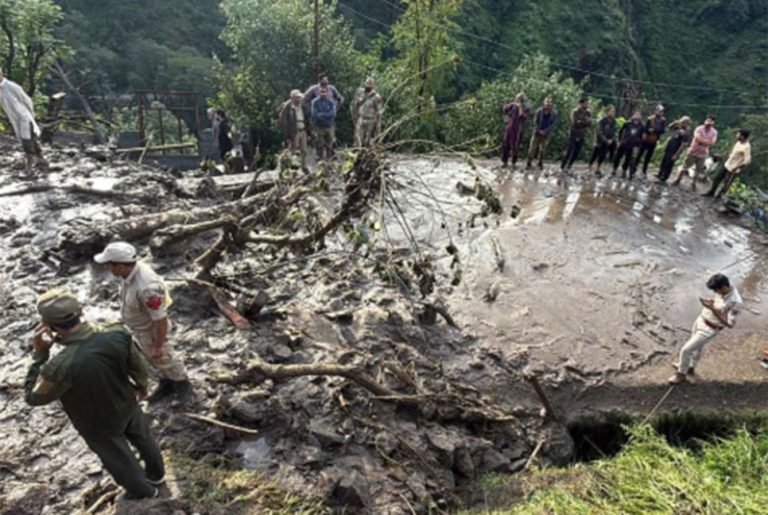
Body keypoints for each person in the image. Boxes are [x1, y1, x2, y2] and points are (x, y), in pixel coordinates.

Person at [24, 289, 165, 499]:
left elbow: (33, 398)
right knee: (145, 439)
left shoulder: (59, 366)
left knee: (119, 459)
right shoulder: (115, 331)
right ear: (81, 311)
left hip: (96, 422)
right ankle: (158, 476)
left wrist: (40, 353)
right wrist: (141, 386)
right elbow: (137, 365)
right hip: (127, 400)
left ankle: (144, 493)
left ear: (48, 326)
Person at [94, 242, 192, 403]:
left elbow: (160, 319)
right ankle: (166, 381)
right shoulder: (129, 273)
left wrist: (158, 345)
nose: (107, 268)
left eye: (109, 265)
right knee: (154, 360)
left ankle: (182, 384)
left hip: (151, 330)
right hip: (140, 329)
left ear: (120, 266)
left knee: (165, 357)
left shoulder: (147, 287)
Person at [668, 274, 743, 384]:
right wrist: (711, 302)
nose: (716, 293)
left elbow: (730, 324)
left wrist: (713, 309)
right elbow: (719, 304)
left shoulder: (736, 302)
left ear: (723, 287)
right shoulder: (722, 291)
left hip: (710, 328)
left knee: (686, 350)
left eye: (716, 290)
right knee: (697, 348)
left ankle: (681, 374)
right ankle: (689, 367)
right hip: (701, 320)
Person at [0, 68, 48, 174]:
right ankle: (41, 158)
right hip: (15, 119)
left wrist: (30, 115)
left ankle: (29, 164)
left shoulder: (12, 86)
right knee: (31, 138)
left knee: (26, 140)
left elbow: (27, 100)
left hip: (24, 117)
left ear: (1, 74)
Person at [673, 115, 718, 191]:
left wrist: (703, 142)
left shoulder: (714, 132)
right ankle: (678, 179)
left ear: (713, 123)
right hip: (693, 151)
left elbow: (712, 142)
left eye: (711, 121)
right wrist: (706, 142)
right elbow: (697, 139)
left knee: (698, 170)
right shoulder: (699, 128)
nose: (708, 123)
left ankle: (693, 183)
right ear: (705, 120)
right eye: (708, 121)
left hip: (703, 154)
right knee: (685, 166)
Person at [704, 129, 751, 198]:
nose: (736, 135)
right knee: (717, 178)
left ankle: (719, 197)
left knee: (726, 184)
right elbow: (733, 153)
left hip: (733, 169)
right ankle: (711, 192)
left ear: (742, 136)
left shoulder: (746, 147)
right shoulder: (738, 143)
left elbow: (747, 161)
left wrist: (736, 167)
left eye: (738, 134)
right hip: (727, 164)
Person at [560, 97, 592, 173]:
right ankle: (562, 166)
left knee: (576, 152)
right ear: (581, 103)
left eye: (588, 103)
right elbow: (575, 123)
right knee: (569, 151)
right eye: (586, 103)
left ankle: (569, 166)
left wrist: (582, 122)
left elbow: (590, 123)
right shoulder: (575, 112)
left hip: (582, 135)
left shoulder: (588, 113)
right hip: (573, 134)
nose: (587, 105)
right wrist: (585, 122)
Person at [526, 96, 558, 170]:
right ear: (544, 102)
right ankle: (528, 163)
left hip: (546, 134)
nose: (548, 104)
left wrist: (545, 131)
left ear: (552, 103)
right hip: (536, 133)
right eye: (547, 102)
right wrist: (538, 130)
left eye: (549, 102)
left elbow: (553, 124)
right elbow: (535, 122)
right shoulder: (539, 111)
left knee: (543, 150)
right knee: (532, 149)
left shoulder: (554, 113)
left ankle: (540, 163)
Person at [656, 116, 692, 183]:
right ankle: (660, 174)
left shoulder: (686, 133)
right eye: (682, 122)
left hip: (675, 150)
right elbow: (669, 127)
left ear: (687, 123)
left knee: (669, 164)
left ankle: (664, 178)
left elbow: (683, 145)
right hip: (669, 147)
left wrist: (676, 155)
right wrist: (676, 122)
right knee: (664, 161)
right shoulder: (678, 127)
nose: (682, 123)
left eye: (684, 122)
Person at [634, 105, 667, 177]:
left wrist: (654, 130)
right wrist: (649, 131)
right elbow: (645, 129)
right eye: (659, 111)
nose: (661, 113)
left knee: (648, 157)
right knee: (639, 155)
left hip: (654, 140)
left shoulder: (663, 121)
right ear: (656, 111)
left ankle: (644, 171)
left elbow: (662, 130)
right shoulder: (650, 119)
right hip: (646, 139)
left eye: (662, 111)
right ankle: (634, 169)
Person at [279, 89, 309, 165]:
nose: (299, 99)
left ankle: (304, 165)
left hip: (303, 129)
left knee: (304, 150)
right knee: (293, 150)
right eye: (297, 97)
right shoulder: (287, 107)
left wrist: (309, 131)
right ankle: (290, 167)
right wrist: (287, 136)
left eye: (300, 97)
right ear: (293, 98)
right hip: (294, 131)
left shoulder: (302, 105)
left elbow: (307, 118)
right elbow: (283, 122)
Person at [501, 92, 531, 169]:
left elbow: (523, 117)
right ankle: (504, 161)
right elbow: (504, 109)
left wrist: (520, 108)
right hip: (509, 127)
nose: (518, 101)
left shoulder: (527, 108)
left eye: (520, 99)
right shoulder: (513, 105)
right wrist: (511, 104)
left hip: (518, 129)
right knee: (505, 144)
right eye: (517, 99)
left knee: (515, 146)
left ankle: (513, 162)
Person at [612, 111, 645, 179]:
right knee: (618, 156)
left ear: (640, 117)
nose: (637, 116)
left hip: (632, 145)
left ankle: (624, 171)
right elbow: (621, 131)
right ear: (633, 115)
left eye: (638, 115)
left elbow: (642, 137)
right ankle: (614, 169)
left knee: (628, 159)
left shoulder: (642, 126)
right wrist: (620, 140)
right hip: (624, 143)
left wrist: (638, 145)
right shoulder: (628, 123)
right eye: (636, 114)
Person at [588, 104, 617, 176]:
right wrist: (605, 140)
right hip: (600, 141)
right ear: (607, 112)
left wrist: (611, 139)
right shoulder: (602, 120)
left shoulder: (613, 121)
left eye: (613, 111)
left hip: (608, 141)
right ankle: (590, 166)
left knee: (603, 155)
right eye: (611, 111)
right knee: (595, 154)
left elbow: (614, 132)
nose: (613, 113)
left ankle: (598, 168)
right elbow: (599, 132)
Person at [353, 78, 382, 147]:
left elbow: (378, 111)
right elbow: (356, 105)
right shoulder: (360, 93)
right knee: (358, 139)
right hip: (361, 118)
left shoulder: (376, 96)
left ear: (373, 85)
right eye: (367, 83)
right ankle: (357, 151)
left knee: (368, 141)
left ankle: (366, 151)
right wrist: (356, 116)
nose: (368, 85)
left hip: (371, 120)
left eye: (370, 84)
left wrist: (378, 124)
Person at [311, 86, 337, 161]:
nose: (323, 93)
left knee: (330, 144)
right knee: (320, 144)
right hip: (319, 126)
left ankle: (329, 159)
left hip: (330, 126)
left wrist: (322, 115)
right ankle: (320, 159)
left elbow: (333, 114)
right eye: (321, 92)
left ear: (327, 93)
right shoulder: (315, 102)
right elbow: (314, 114)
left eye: (324, 92)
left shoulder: (331, 102)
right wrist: (325, 115)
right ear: (319, 93)